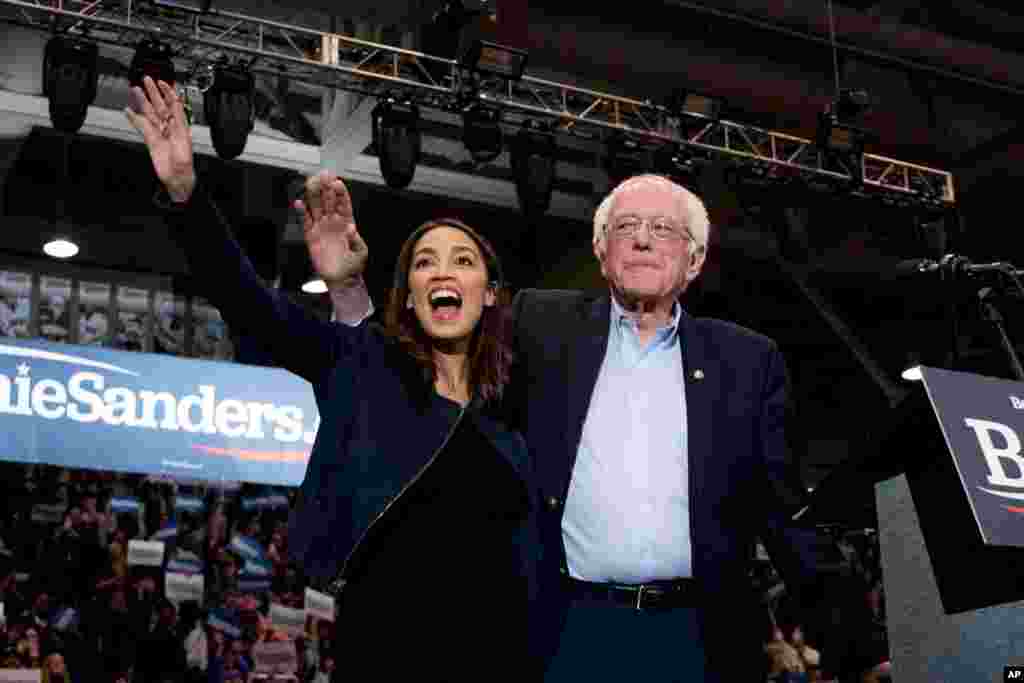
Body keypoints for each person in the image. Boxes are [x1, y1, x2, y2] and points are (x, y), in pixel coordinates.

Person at [306, 170, 820, 681]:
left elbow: (786, 514)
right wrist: (349, 291)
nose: (642, 239)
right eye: (626, 227)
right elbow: (426, 363)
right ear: (601, 251)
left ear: (695, 258)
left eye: (663, 229)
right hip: (567, 631)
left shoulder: (748, 361)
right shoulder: (541, 324)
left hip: (699, 637)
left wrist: (859, 647)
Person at [126, 76, 540, 681]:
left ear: (491, 292)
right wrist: (187, 195)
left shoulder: (522, 406)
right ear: (409, 295)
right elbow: (250, 306)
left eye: (463, 260)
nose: (441, 271)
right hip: (385, 654)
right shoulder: (366, 372)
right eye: (423, 262)